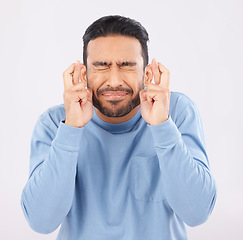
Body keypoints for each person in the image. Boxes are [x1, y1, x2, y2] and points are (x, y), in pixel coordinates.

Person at [21, 15, 217, 240]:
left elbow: (197, 213)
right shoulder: (56, 124)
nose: (114, 80)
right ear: (85, 74)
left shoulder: (176, 113)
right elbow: (41, 221)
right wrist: (71, 129)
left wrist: (162, 126)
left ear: (147, 73)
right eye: (101, 66)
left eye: (127, 66)